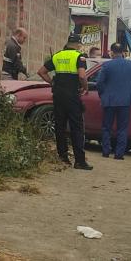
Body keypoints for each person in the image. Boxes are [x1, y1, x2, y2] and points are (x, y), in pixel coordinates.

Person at [37, 34, 93, 170]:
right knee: (77, 127)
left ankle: (63, 158)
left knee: (60, 126)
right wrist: (85, 87)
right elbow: (82, 75)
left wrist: (52, 83)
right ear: (79, 44)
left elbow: (41, 72)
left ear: (67, 43)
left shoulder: (57, 56)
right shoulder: (80, 57)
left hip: (58, 96)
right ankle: (79, 161)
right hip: (72, 96)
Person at [96, 43, 131, 160]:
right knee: (122, 128)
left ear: (112, 52)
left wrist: (103, 95)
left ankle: (106, 151)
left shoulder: (106, 65)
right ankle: (119, 154)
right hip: (125, 101)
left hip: (109, 100)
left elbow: (99, 83)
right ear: (123, 52)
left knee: (107, 127)